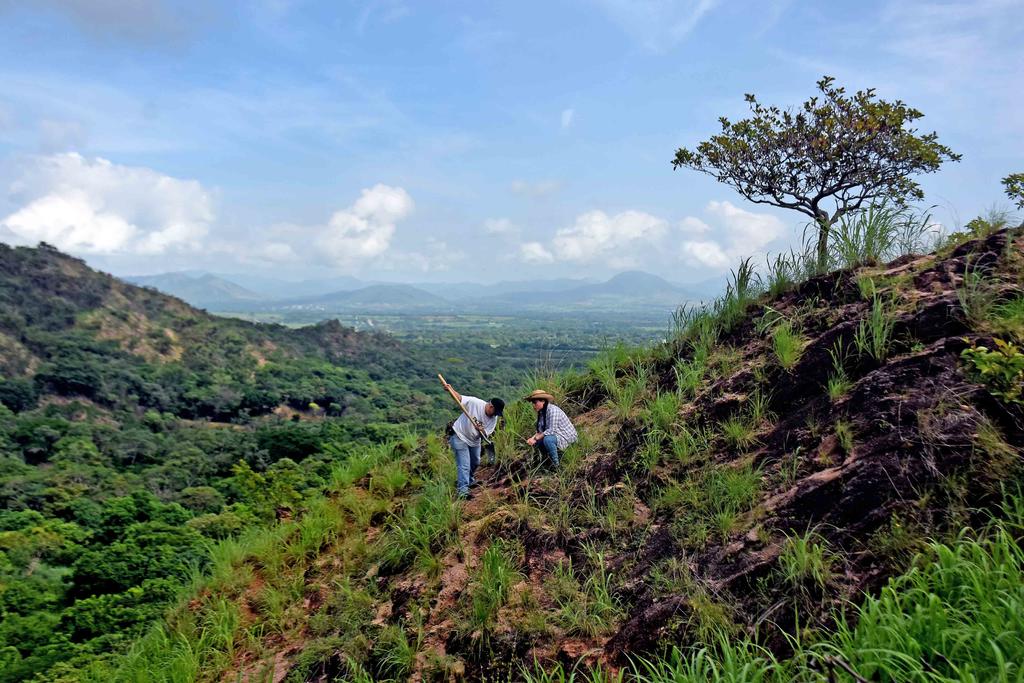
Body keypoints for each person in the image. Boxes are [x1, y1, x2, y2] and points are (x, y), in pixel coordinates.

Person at [441, 379, 504, 499]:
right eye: (495, 412)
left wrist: (481, 430)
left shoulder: (493, 419)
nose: (495, 415)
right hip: (459, 435)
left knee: (475, 462)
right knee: (464, 464)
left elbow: (486, 435)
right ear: (490, 406)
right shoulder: (475, 403)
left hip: (475, 440)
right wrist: (450, 389)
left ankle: (468, 480)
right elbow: (459, 398)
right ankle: (463, 491)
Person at [524, 389, 577, 469]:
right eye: (533, 403)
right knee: (538, 442)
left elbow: (551, 430)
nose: (533, 405)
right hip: (555, 435)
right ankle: (547, 463)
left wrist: (535, 438)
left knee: (547, 440)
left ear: (543, 401)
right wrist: (532, 438)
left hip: (565, 435)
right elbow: (540, 431)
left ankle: (556, 465)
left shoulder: (552, 410)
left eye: (535, 402)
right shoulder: (542, 412)